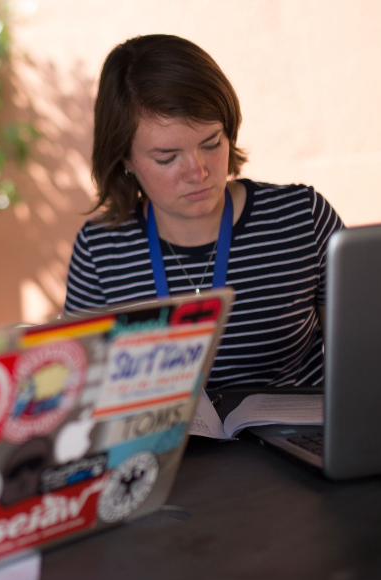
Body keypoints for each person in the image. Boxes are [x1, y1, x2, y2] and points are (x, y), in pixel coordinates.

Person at [64, 34, 344, 388]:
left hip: (295, 442)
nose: (198, 172)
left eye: (212, 143)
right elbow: (80, 394)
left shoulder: (303, 218)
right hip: (165, 445)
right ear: (125, 159)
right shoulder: (99, 251)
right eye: (167, 158)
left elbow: (367, 355)